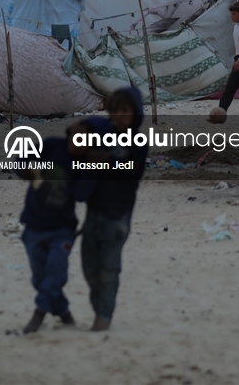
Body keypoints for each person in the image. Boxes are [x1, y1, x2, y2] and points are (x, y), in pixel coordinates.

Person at [16, 119, 100, 334]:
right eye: (78, 134)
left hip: (62, 229)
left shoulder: (85, 165)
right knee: (39, 278)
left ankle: (38, 315)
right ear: (69, 133)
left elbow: (81, 195)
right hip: (34, 224)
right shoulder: (51, 146)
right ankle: (64, 314)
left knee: (56, 271)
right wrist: (28, 170)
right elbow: (19, 163)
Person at [80, 87, 148, 332]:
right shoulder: (101, 136)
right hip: (94, 212)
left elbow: (133, 170)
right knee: (89, 267)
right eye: (115, 110)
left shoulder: (138, 143)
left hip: (118, 214)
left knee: (109, 267)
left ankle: (104, 316)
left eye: (125, 111)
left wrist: (108, 161)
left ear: (135, 114)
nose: (119, 115)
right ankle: (100, 307)